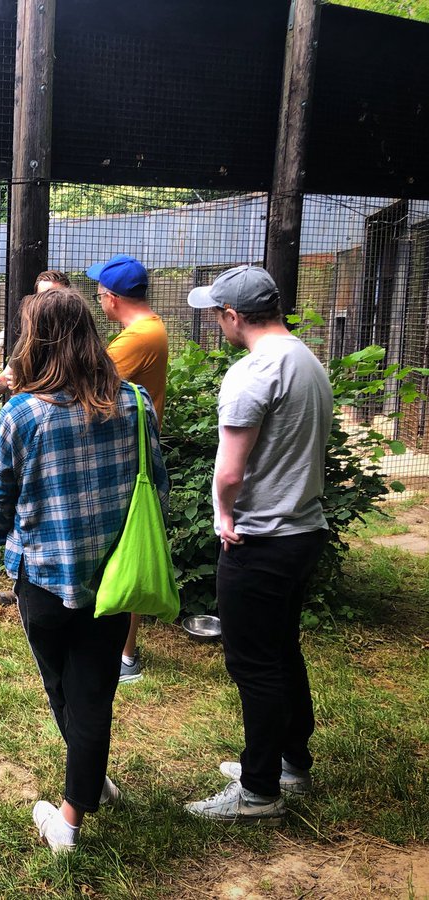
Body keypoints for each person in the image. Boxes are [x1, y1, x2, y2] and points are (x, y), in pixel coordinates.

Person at [0, 287, 167, 854]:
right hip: (115, 578)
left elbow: (1, 497)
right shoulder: (136, 403)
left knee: (65, 687)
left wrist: (1, 538)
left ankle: (67, 820)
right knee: (92, 688)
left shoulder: (22, 413)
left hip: (42, 577)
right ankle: (88, 778)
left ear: (35, 342)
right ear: (91, 336)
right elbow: (156, 487)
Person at [184, 266, 331, 823]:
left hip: (259, 539)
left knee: (254, 666)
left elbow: (229, 472)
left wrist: (223, 516)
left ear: (233, 316)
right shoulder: (306, 360)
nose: (215, 321)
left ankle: (258, 790)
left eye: (216, 313)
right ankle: (290, 761)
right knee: (282, 652)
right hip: (302, 532)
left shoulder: (253, 372)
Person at [85, 254, 169, 684]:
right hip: (132, 451)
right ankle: (119, 648)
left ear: (111, 298)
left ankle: (125, 656)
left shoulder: (136, 339)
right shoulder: (150, 327)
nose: (98, 299)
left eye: (99, 293)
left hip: (129, 456)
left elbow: (84, 380)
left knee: (127, 551)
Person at [0, 270, 71, 406]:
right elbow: (6, 377)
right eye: (43, 296)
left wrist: (30, 388)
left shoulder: (81, 338)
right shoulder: (31, 339)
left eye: (56, 295)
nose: (49, 302)